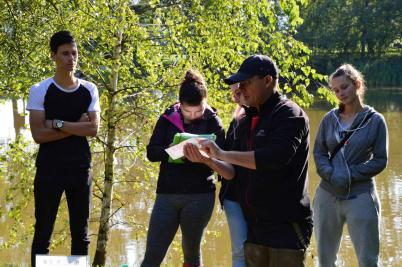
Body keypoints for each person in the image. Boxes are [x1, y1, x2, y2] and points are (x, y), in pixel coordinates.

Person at [193, 55, 313, 267]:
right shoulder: (245, 119)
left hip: (286, 226)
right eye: (239, 84)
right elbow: (233, 171)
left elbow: (274, 158)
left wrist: (221, 153)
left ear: (268, 80)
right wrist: (208, 159)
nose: (241, 89)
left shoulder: (290, 114)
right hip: (254, 226)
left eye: (247, 83)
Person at [27, 31, 100, 266]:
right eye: (65, 53)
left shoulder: (89, 89)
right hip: (49, 170)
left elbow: (94, 129)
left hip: (80, 169)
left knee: (81, 234)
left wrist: (57, 124)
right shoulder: (39, 89)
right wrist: (78, 125)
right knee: (43, 234)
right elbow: (38, 134)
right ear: (54, 57)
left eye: (74, 53)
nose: (71, 58)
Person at [141, 69, 226, 267]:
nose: (194, 116)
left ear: (205, 102)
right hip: (167, 194)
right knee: (153, 254)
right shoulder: (167, 118)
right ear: (180, 106)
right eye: (188, 112)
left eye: (199, 111)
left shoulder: (213, 121)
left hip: (200, 195)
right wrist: (171, 151)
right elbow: (152, 153)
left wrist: (205, 157)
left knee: (191, 254)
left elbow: (224, 157)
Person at [313, 64, 388, 267]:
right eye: (336, 90)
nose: (340, 93)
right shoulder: (330, 119)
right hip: (327, 195)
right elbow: (319, 152)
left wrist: (349, 174)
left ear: (357, 84)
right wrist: (330, 173)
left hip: (361, 196)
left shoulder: (375, 121)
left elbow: (380, 160)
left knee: (368, 260)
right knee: (325, 260)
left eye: (344, 87)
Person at [218, 84, 247, 267]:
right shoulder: (235, 121)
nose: (235, 98)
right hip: (232, 195)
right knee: (239, 250)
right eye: (233, 94)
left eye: (239, 93)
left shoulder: (265, 119)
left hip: (257, 196)